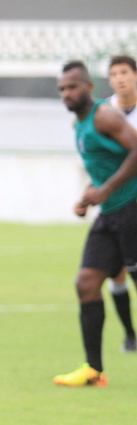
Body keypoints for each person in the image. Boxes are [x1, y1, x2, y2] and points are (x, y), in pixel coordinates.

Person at [53, 60, 137, 387]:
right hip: (110, 213)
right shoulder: (79, 125)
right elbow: (104, 166)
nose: (67, 93)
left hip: (131, 207)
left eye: (73, 87)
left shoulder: (104, 115)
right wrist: (89, 194)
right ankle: (93, 370)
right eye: (61, 89)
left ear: (88, 87)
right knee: (86, 282)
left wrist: (106, 190)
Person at [106, 55, 137, 352]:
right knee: (115, 271)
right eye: (114, 73)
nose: (120, 78)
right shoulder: (105, 112)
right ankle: (130, 334)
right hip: (115, 204)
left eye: (125, 72)